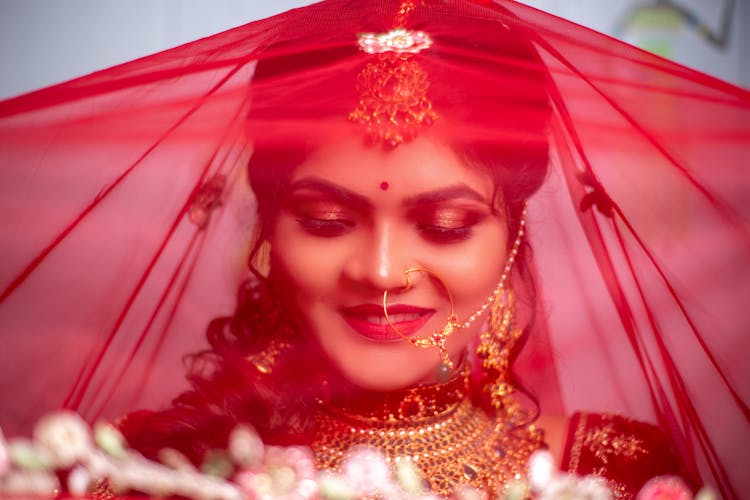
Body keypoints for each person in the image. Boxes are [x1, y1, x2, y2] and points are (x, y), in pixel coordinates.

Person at [0, 0, 747, 498]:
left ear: (512, 229)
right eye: (326, 220)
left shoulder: (612, 472)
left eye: (446, 227)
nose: (383, 272)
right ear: (268, 230)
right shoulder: (149, 473)